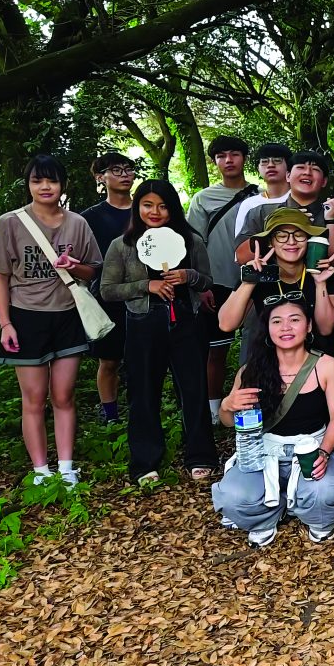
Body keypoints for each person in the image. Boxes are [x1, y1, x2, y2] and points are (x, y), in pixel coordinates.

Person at [0, 154, 102, 486]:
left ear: (63, 185)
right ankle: (40, 470)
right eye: (37, 180)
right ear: (29, 184)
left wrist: (72, 265)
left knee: (63, 395)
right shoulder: (11, 222)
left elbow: (90, 270)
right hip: (25, 317)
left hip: (67, 316)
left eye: (51, 180)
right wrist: (6, 323)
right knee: (33, 397)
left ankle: (66, 467)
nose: (45, 186)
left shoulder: (77, 223)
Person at [99, 179, 218, 484]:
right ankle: (144, 462)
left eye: (163, 205)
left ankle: (201, 455)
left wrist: (188, 275)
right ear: (137, 207)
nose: (155, 212)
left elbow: (207, 280)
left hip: (186, 324)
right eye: (148, 205)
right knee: (142, 393)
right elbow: (108, 290)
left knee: (193, 391)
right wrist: (146, 286)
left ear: (173, 208)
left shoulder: (190, 240)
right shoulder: (122, 245)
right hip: (142, 324)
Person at [212, 300, 334, 547]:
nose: (286, 327)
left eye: (295, 320)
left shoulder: (327, 366)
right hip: (264, 450)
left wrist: (324, 452)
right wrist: (226, 405)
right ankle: (266, 517)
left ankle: (310, 510)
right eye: (277, 321)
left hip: (311, 446)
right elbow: (228, 422)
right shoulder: (250, 370)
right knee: (233, 498)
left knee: (325, 494)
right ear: (267, 329)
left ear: (308, 327)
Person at [187, 135, 259, 426]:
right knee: (216, 350)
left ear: (244, 158)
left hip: (252, 281)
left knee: (255, 347)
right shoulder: (203, 199)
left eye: (234, 154)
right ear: (214, 161)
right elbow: (192, 243)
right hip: (215, 283)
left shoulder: (259, 195)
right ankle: (214, 409)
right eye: (221, 156)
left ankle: (252, 404)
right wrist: (200, 286)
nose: (228, 160)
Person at [219, 208, 334, 355]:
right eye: (281, 236)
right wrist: (250, 281)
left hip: (316, 362)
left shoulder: (323, 272)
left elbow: (326, 328)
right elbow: (226, 324)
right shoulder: (258, 271)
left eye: (299, 235)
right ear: (270, 242)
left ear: (308, 239)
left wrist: (320, 283)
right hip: (270, 361)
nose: (291, 241)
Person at [81, 152, 136, 425]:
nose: (125, 174)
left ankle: (142, 411)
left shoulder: (147, 209)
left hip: (145, 292)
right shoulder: (89, 218)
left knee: (143, 359)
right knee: (109, 360)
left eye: (129, 169)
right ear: (100, 177)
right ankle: (110, 414)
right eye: (117, 170)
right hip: (106, 295)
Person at [235, 150, 334, 268]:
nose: (307, 172)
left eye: (315, 169)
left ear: (324, 181)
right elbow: (241, 257)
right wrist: (277, 224)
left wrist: (330, 221)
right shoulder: (261, 212)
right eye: (300, 167)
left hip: (321, 285)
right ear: (288, 176)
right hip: (270, 285)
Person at [232, 143, 293, 242]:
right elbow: (240, 246)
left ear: (289, 166)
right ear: (258, 168)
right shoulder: (249, 204)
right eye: (264, 162)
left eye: (277, 161)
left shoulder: (298, 198)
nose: (270, 165)